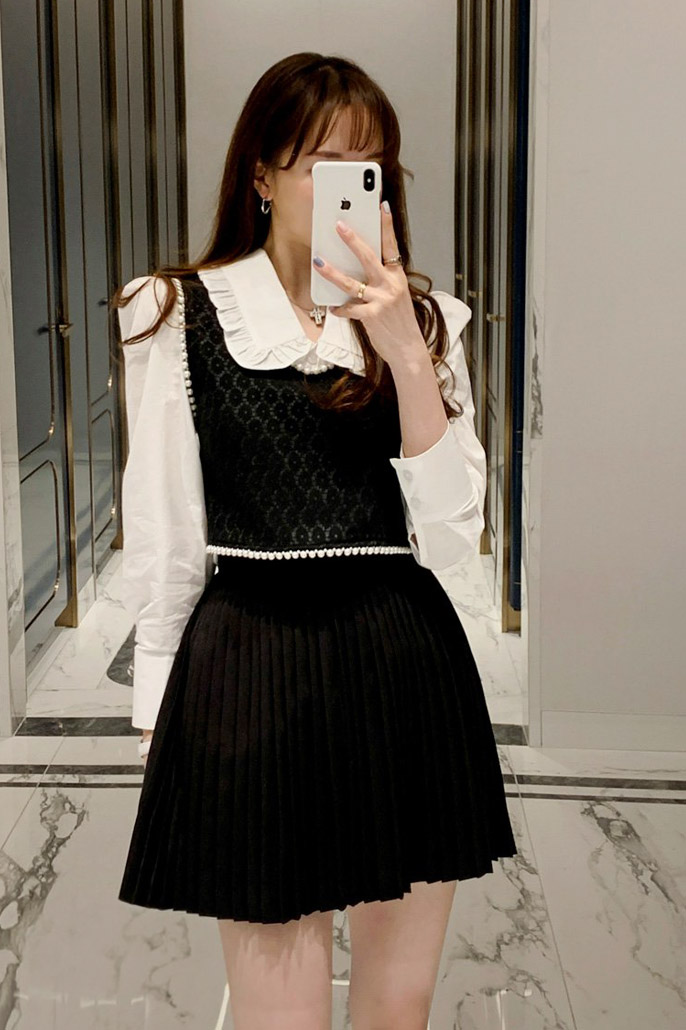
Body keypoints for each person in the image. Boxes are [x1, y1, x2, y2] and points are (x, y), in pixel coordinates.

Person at [112, 52, 517, 1030]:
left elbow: (453, 532)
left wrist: (404, 350)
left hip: (401, 662)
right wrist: (158, 704)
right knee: (278, 1012)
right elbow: (164, 526)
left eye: (369, 166)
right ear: (262, 173)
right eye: (325, 163)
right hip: (250, 665)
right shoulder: (173, 311)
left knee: (397, 1006)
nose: (351, 186)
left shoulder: (425, 320)